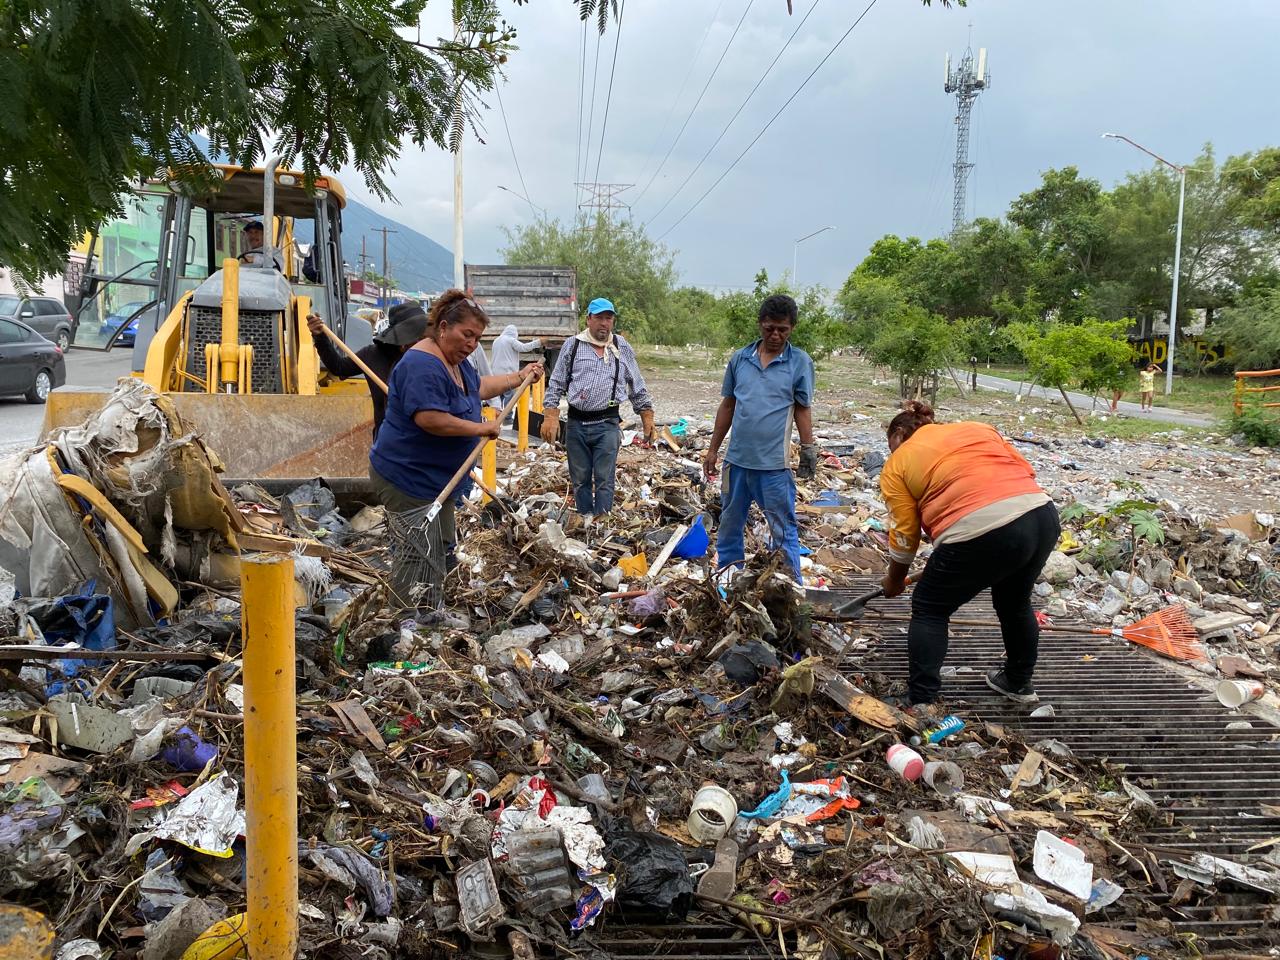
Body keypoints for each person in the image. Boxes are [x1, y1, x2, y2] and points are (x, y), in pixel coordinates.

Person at [878, 400, 1060, 706]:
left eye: (890, 444)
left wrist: (894, 580)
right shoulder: (977, 428)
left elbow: (904, 536)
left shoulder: (897, 464)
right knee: (1014, 601)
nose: (891, 451)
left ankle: (921, 699)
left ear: (898, 433)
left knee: (929, 606)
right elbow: (1023, 470)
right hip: (1041, 514)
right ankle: (1017, 682)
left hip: (981, 526)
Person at [370, 290, 543, 604]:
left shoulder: (457, 361)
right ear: (443, 327)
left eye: (477, 338)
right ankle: (407, 616)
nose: (471, 344)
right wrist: (481, 428)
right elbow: (430, 419)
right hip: (408, 477)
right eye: (467, 335)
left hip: (438, 479)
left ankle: (434, 603)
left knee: (442, 543)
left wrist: (519, 377)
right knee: (417, 551)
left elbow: (477, 387)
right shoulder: (421, 364)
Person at [702, 294, 816, 581]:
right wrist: (713, 450)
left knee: (782, 529)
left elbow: (802, 408)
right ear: (760, 325)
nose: (775, 335)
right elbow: (728, 405)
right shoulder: (741, 359)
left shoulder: (799, 363)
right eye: (769, 329)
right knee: (729, 523)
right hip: (737, 462)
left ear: (792, 329)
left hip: (774, 468)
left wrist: (808, 448)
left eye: (782, 330)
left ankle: (791, 585)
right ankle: (729, 578)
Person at [540, 298, 654, 517]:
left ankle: (602, 524)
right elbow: (556, 383)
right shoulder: (572, 346)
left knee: (604, 479)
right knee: (580, 479)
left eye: (608, 318)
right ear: (589, 319)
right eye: (599, 318)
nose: (604, 323)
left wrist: (646, 416)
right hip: (576, 424)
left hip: (607, 424)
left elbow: (636, 384)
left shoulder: (621, 347)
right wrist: (550, 415)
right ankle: (584, 521)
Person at [306, 302, 429, 438]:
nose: (424, 341)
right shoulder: (372, 355)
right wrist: (320, 337)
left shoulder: (431, 358)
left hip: (422, 441)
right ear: (404, 339)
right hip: (387, 442)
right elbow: (338, 367)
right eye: (419, 336)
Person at [491, 323, 544, 413]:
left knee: (497, 397)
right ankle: (507, 417)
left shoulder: (496, 340)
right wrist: (538, 342)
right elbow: (524, 348)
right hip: (508, 374)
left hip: (495, 375)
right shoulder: (510, 340)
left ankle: (496, 415)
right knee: (509, 396)